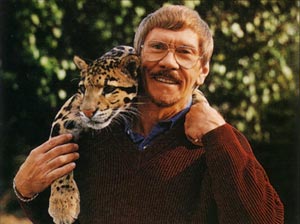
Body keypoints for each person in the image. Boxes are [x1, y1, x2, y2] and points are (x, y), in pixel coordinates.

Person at [13, 5, 284, 224]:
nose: (168, 61)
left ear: (203, 71)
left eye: (184, 52)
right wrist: (26, 191)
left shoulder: (222, 141)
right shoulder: (96, 133)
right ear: (137, 61)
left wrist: (218, 136)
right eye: (157, 47)